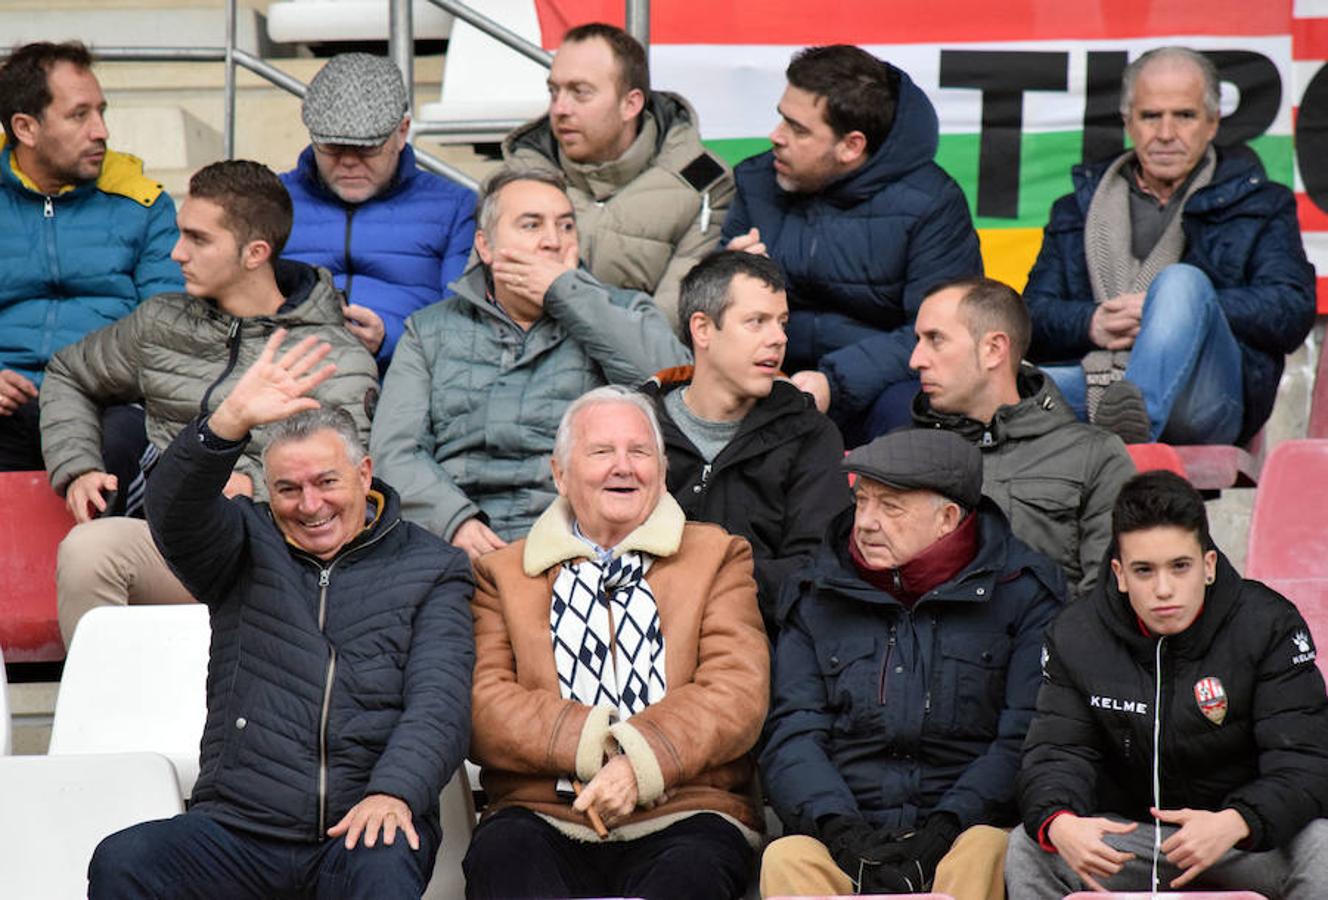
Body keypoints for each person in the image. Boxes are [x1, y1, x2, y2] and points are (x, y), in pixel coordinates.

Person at [87, 332, 475, 899]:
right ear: (269, 489)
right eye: (288, 488)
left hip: (363, 823)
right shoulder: (244, 540)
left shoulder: (433, 566)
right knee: (124, 860)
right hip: (240, 828)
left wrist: (394, 792)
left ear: (364, 474)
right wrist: (229, 421)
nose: (310, 504)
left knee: (384, 867)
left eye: (326, 482)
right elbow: (171, 512)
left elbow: (439, 703)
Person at [41, 160, 378, 647]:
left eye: (198, 239)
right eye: (180, 234)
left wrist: (255, 483)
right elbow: (68, 372)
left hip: (283, 549)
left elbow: (346, 476)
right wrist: (77, 466)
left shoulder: (333, 353)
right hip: (176, 541)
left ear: (254, 252)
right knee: (89, 550)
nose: (177, 253)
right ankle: (110, 715)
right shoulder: (161, 324)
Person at [462, 385, 768, 900]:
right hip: (542, 813)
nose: (623, 467)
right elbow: (482, 704)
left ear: (663, 470)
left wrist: (641, 762)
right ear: (559, 473)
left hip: (687, 811)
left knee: (690, 875)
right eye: (601, 452)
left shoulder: (717, 556)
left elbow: (737, 691)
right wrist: (595, 743)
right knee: (504, 862)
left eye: (639, 452)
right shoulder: (502, 574)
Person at [760, 428, 1065, 900]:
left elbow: (1025, 737)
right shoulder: (815, 593)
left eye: (890, 507)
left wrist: (947, 826)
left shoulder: (1024, 595)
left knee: (984, 848)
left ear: (947, 518)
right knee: (787, 857)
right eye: (862, 501)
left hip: (963, 831)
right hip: (846, 834)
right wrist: (841, 831)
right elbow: (793, 734)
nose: (865, 522)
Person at [1007, 470, 1328, 898]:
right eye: (1144, 570)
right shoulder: (1076, 635)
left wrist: (1238, 821)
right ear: (1120, 574)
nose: (1163, 589)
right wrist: (1060, 821)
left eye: (1180, 566)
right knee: (1029, 848)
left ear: (1208, 565)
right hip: (1133, 841)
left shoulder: (1267, 624)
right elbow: (1057, 752)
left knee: (1322, 846)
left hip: (1238, 838)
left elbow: (1306, 760)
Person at [370, 168, 688, 562]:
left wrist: (566, 293)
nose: (552, 242)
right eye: (531, 225)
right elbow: (394, 451)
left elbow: (675, 389)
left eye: (566, 226)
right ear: (486, 247)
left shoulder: (623, 311)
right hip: (457, 544)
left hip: (589, 540)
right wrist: (453, 521)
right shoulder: (430, 329)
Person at [1024, 46, 1315, 445]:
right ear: (1129, 122)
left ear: (1212, 123)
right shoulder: (1076, 210)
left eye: (1184, 116)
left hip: (1206, 399)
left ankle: (1131, 428)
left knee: (1180, 284)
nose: (1165, 133)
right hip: (1095, 383)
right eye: (1150, 116)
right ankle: (1126, 424)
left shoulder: (1261, 203)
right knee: (999, 393)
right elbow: (1032, 317)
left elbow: (1292, 308)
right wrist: (1092, 323)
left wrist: (1172, 308)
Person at [722, 44, 982, 442]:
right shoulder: (756, 181)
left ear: (851, 146)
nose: (776, 137)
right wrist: (726, 280)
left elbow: (938, 331)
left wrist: (833, 383)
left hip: (878, 387)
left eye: (799, 129)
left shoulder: (932, 203)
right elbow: (708, 312)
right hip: (769, 370)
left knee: (912, 410)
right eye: (781, 119)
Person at [642, 251, 849, 632]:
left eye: (783, 323)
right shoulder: (636, 427)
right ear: (702, 329)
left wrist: (703, 583)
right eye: (757, 322)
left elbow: (817, 568)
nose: (779, 339)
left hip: (760, 640)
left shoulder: (810, 434)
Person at [0, 40, 181, 473]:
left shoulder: (142, 202)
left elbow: (167, 322)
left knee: (114, 453)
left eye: (101, 111)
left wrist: (90, 384)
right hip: (8, 396)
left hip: (106, 397)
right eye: (80, 115)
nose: (101, 130)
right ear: (26, 128)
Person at [910, 277, 1134, 600]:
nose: (915, 359)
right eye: (918, 340)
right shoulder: (902, 456)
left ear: (993, 349)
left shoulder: (1095, 456)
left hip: (1052, 645)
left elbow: (1109, 598)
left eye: (935, 339)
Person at [503, 22, 732, 323]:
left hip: (638, 367)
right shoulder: (517, 176)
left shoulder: (703, 184)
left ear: (630, 104)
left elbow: (668, 327)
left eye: (580, 93)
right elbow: (485, 306)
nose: (559, 108)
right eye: (554, 91)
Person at [281, 52, 475, 369]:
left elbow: (466, 327)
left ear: (402, 132)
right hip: (288, 383)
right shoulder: (272, 199)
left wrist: (390, 339)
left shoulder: (455, 208)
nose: (348, 161)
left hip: (404, 385)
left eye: (367, 148)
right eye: (331, 146)